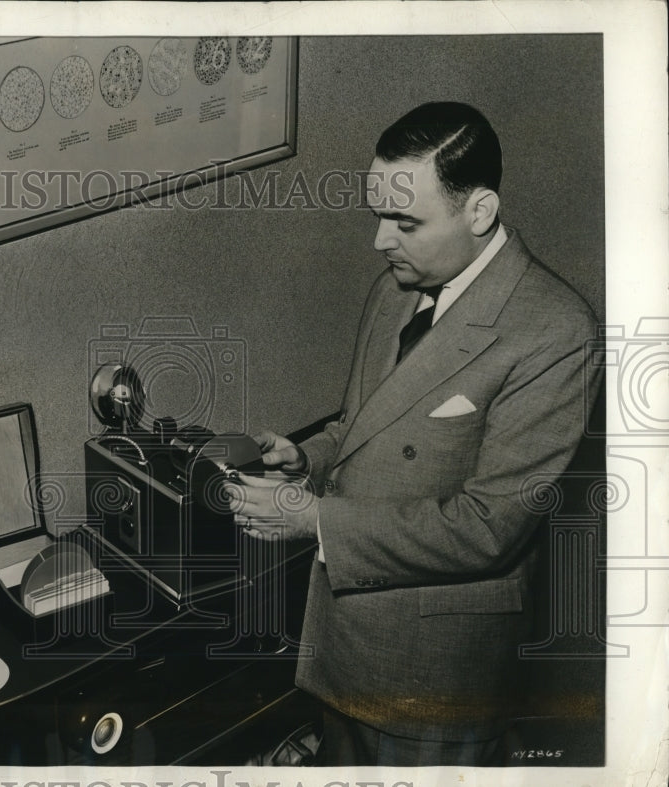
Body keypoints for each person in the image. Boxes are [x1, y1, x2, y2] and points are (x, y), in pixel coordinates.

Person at [226, 101, 602, 766]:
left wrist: (316, 522)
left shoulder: (555, 331)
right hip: (346, 641)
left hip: (436, 669)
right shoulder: (396, 287)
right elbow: (362, 426)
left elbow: (487, 526)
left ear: (479, 212)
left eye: (405, 221)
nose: (379, 240)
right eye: (378, 215)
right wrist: (304, 459)